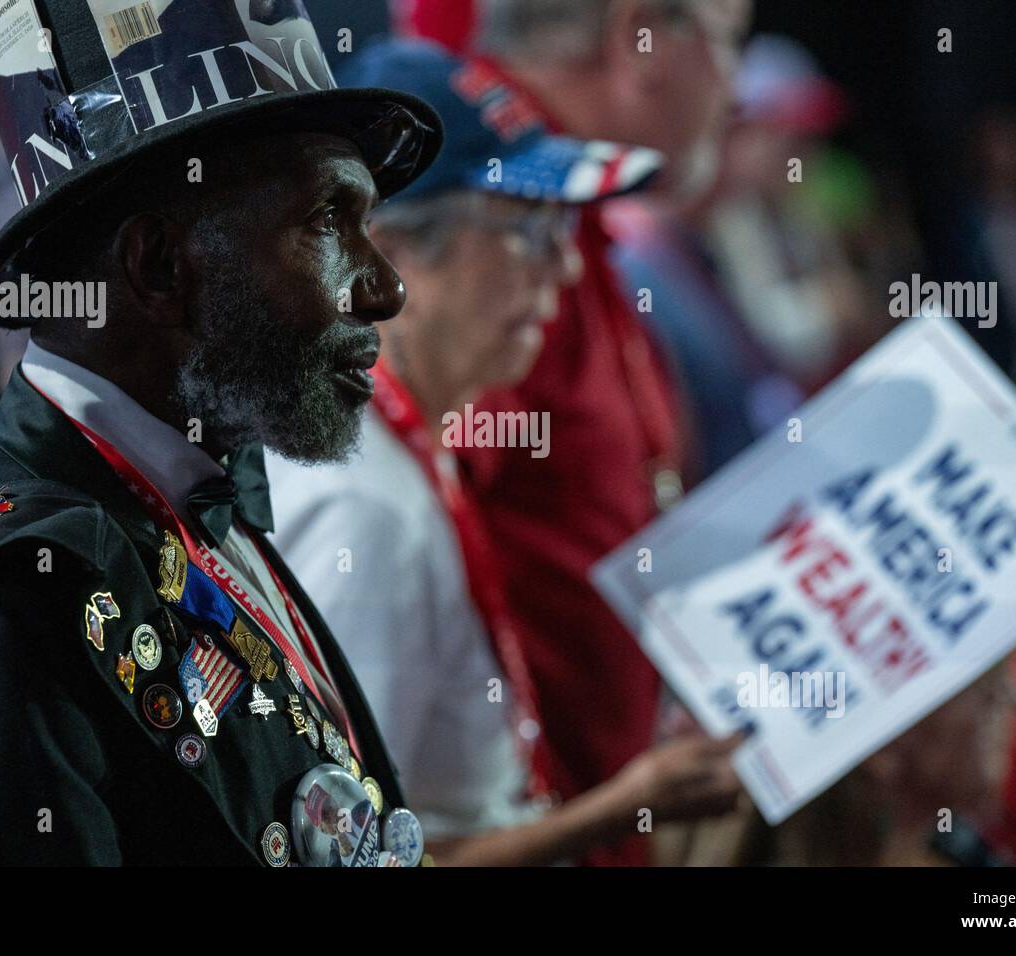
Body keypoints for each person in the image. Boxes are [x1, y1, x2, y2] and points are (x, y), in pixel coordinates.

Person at [0, 1, 444, 867]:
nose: (385, 289)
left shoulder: (193, 473)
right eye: (330, 221)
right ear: (159, 266)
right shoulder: (18, 599)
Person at [267, 41, 741, 866]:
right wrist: (627, 807)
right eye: (526, 229)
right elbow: (335, 861)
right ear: (391, 248)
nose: (563, 268)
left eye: (564, 229)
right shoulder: (362, 502)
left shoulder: (395, 449)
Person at [401, 0, 749, 865]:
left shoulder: (566, 234)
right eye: (730, 41)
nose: (735, 88)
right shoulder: (497, 246)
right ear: (645, 37)